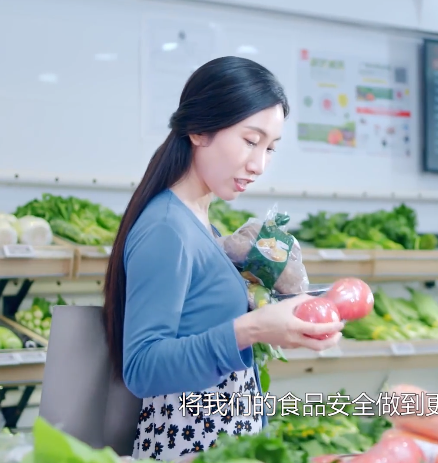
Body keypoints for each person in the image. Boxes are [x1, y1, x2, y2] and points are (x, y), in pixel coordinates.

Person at [102, 56, 345, 461]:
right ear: (199, 130)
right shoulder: (167, 227)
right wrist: (251, 328)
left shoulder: (199, 220)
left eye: (270, 148)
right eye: (250, 141)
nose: (259, 164)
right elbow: (143, 368)